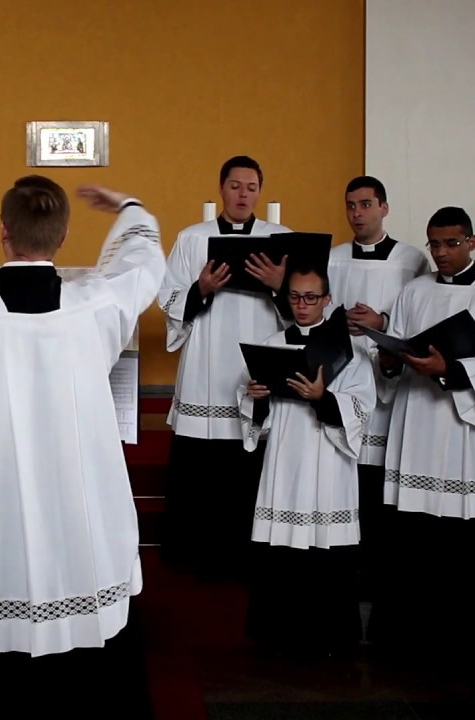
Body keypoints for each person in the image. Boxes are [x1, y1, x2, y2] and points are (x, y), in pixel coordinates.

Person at [0, 178, 164, 719]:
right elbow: (144, 264)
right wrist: (129, 208)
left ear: (3, 231)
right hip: (83, 500)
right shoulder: (97, 302)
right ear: (64, 236)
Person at [368, 207, 475, 658]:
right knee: (412, 537)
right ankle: (404, 639)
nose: (441, 252)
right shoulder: (415, 291)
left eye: (452, 243)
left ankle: (460, 642)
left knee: (460, 539)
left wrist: (448, 368)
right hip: (417, 425)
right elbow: (395, 349)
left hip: (466, 436)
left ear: (472, 242)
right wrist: (390, 360)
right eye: (434, 244)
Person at [156, 155, 291, 578]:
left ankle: (246, 553)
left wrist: (278, 286)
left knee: (249, 462)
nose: (243, 195)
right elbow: (168, 296)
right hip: (206, 368)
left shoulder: (280, 239)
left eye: (251, 187)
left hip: (257, 362)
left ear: (260, 192)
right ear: (221, 188)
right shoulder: (192, 238)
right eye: (235, 186)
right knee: (199, 464)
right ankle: (192, 554)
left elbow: (305, 303)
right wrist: (201, 288)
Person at [239, 265, 375, 658]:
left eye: (311, 297)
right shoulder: (271, 343)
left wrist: (323, 399)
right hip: (284, 458)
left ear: (327, 300)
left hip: (328, 462)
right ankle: (278, 635)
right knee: (282, 551)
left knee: (326, 551)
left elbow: (361, 406)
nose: (302, 305)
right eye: (295, 296)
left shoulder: (348, 351)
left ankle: (330, 638)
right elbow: (253, 411)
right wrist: (256, 396)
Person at [325, 175, 430, 598]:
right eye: (351, 205)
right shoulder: (332, 259)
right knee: (348, 476)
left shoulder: (412, 260)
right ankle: (347, 566)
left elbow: (421, 317)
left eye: (366, 204)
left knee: (381, 480)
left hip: (391, 383)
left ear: (384, 208)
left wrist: (382, 323)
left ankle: (382, 571)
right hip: (344, 378)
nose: (357, 213)